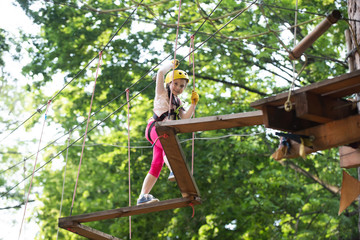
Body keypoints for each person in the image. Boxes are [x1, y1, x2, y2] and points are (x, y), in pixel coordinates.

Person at [137, 60, 199, 205]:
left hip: (161, 133)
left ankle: (143, 196)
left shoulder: (178, 102)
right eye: (175, 83)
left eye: (182, 86)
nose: (178, 87)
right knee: (168, 148)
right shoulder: (162, 93)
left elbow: (184, 118)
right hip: (155, 128)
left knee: (156, 164)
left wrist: (193, 104)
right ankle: (174, 171)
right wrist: (170, 66)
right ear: (169, 83)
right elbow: (160, 72)